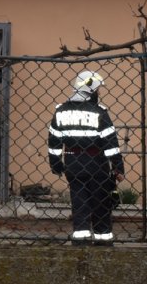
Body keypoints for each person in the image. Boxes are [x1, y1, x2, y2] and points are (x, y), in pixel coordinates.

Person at [47, 69, 125, 245]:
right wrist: (118, 167)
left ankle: (80, 240)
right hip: (97, 164)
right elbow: (111, 144)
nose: (99, 93)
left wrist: (56, 165)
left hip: (72, 163)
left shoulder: (60, 112)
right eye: (98, 90)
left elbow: (54, 142)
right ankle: (103, 239)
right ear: (91, 90)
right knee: (101, 204)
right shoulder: (99, 112)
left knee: (79, 203)